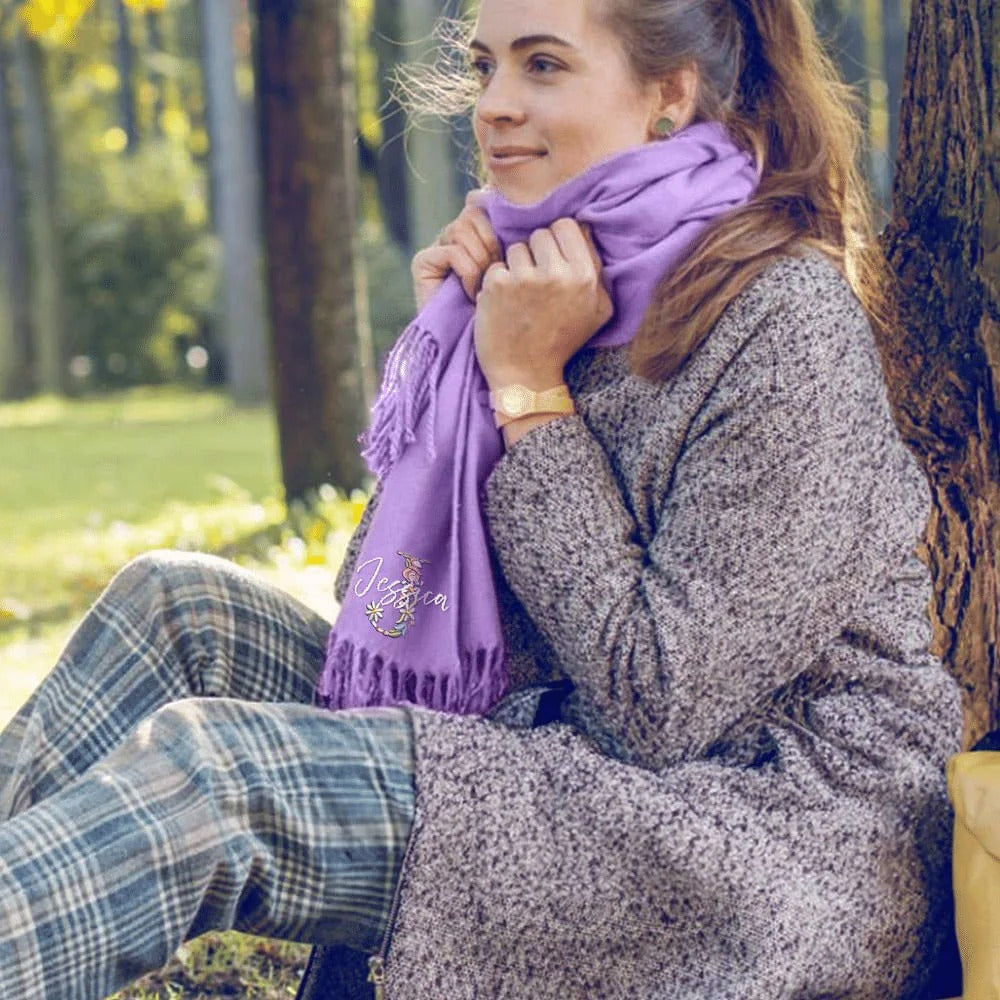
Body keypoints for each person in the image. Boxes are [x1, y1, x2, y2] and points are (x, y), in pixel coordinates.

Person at [0, 0, 962, 997]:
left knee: (224, 778)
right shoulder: (541, 284)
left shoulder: (780, 323)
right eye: (485, 65)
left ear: (669, 96)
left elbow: (659, 698)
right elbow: (379, 613)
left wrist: (529, 395)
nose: (494, 105)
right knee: (180, 608)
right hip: (555, 748)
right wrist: (454, 365)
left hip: (756, 836)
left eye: (542, 66)